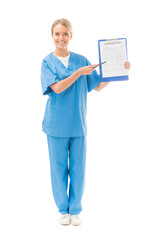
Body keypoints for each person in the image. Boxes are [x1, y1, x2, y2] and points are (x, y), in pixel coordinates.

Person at [41, 18, 130, 226]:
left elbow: (97, 86)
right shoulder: (47, 62)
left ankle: (75, 210)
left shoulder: (81, 59)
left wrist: (120, 70)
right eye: (57, 34)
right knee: (59, 169)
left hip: (78, 123)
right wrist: (79, 73)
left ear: (71, 36)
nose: (61, 38)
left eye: (65, 34)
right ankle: (63, 210)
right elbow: (58, 88)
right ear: (52, 36)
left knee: (79, 169)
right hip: (56, 124)